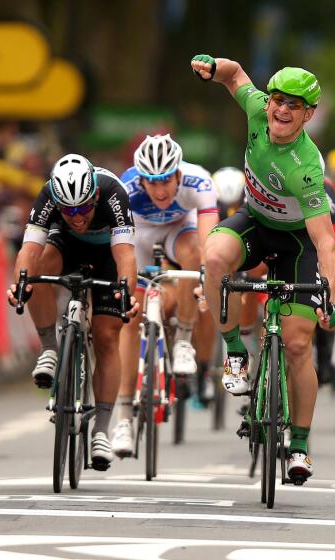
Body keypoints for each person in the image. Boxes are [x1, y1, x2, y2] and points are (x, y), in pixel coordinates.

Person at [190, 54, 335, 483]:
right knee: (215, 256)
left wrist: (328, 293)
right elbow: (235, 73)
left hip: (295, 243)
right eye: (278, 100)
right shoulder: (258, 109)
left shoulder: (306, 169)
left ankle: (300, 446)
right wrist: (210, 66)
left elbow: (325, 242)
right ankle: (235, 351)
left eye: (294, 105)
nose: (282, 109)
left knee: (297, 346)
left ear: (308, 115)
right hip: (254, 221)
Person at [6, 153, 139, 471]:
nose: (77, 216)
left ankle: (102, 431)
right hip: (66, 245)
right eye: (69, 210)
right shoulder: (48, 195)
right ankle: (51, 349)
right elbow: (28, 250)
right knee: (36, 273)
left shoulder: (113, 193)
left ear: (94, 196)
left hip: (108, 252)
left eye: (83, 209)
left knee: (107, 336)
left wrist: (126, 293)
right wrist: (20, 284)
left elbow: (125, 257)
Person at [110, 134, 219, 456]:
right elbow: (119, 246)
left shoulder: (198, 182)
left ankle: (184, 339)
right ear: (140, 179)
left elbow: (209, 237)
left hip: (179, 230)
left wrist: (206, 275)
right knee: (129, 318)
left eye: (166, 182)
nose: (159, 191)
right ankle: (124, 419)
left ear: (179, 175)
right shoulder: (125, 190)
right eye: (151, 183)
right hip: (138, 236)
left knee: (195, 253)